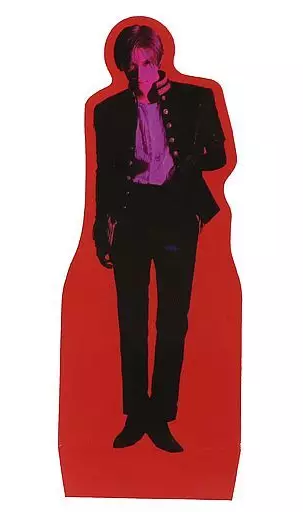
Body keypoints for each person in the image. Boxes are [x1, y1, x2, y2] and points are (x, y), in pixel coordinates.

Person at [92, 24, 227, 453]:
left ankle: (162, 416)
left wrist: (184, 162)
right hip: (131, 214)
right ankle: (136, 415)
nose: (141, 73)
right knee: (130, 319)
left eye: (147, 62)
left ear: (160, 60)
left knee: (172, 320)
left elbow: (219, 154)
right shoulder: (108, 111)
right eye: (132, 66)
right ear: (123, 68)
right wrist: (101, 228)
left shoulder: (194, 98)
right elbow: (103, 173)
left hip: (175, 215)